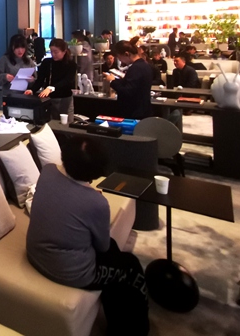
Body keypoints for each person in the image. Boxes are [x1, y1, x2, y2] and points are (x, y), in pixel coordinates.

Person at [26, 137, 149, 335]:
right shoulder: (96, 202)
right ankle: (134, 330)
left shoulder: (47, 171)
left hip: (34, 253)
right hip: (70, 272)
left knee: (116, 255)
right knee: (130, 267)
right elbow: (102, 246)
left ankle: (117, 316)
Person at [24, 38, 77, 120]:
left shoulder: (71, 64)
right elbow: (40, 80)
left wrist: (51, 88)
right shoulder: (47, 62)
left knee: (66, 122)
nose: (53, 54)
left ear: (64, 51)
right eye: (51, 51)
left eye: (56, 52)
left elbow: (67, 81)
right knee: (50, 121)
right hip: (49, 99)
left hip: (65, 98)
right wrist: (32, 90)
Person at [104, 40, 152, 120]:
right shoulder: (145, 65)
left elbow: (127, 91)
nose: (120, 61)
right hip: (143, 110)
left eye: (119, 57)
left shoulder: (135, 68)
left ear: (127, 54)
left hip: (135, 112)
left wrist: (112, 81)